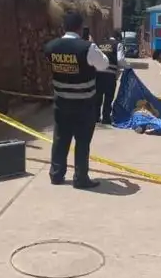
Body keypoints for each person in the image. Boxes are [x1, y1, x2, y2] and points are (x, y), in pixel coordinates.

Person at [42, 11, 112, 189]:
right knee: (82, 141)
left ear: (63, 27)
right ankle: (80, 178)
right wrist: (91, 44)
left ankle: (56, 174)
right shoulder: (87, 47)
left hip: (61, 102)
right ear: (80, 28)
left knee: (60, 139)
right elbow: (104, 64)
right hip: (84, 104)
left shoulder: (51, 47)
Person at [95, 35, 132, 124]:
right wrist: (128, 66)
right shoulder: (118, 44)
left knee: (98, 96)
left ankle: (96, 117)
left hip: (98, 74)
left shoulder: (100, 44)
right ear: (119, 38)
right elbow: (120, 60)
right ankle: (106, 118)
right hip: (110, 75)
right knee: (108, 97)